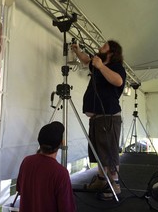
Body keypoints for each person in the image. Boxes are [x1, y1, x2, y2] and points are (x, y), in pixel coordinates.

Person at [72, 40, 126, 200]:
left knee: (109, 151)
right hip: (97, 118)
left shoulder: (116, 67)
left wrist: (101, 66)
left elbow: (118, 81)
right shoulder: (97, 65)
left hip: (108, 117)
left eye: (104, 46)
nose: (100, 47)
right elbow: (86, 60)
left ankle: (114, 184)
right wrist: (77, 51)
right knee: (99, 151)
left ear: (111, 52)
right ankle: (102, 180)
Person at [16, 121, 76, 212]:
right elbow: (67, 208)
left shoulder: (27, 161)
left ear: (39, 141)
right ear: (62, 143)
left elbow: (19, 189)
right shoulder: (60, 173)